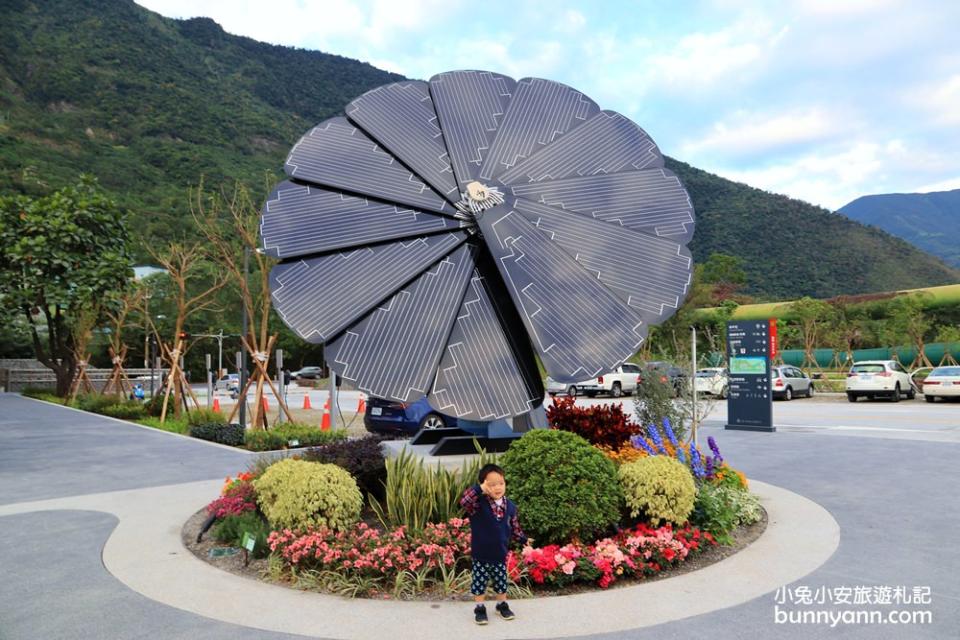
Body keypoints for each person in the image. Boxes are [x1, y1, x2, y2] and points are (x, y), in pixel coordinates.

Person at [459, 463, 531, 625]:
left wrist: (523, 540)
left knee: (501, 581)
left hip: (500, 553)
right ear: (483, 485)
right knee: (479, 582)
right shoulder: (477, 504)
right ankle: (479, 607)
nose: (497, 487)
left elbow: (514, 527)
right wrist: (479, 489)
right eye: (491, 484)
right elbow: (464, 501)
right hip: (481, 554)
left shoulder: (510, 506)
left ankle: (501, 604)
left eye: (501, 483)